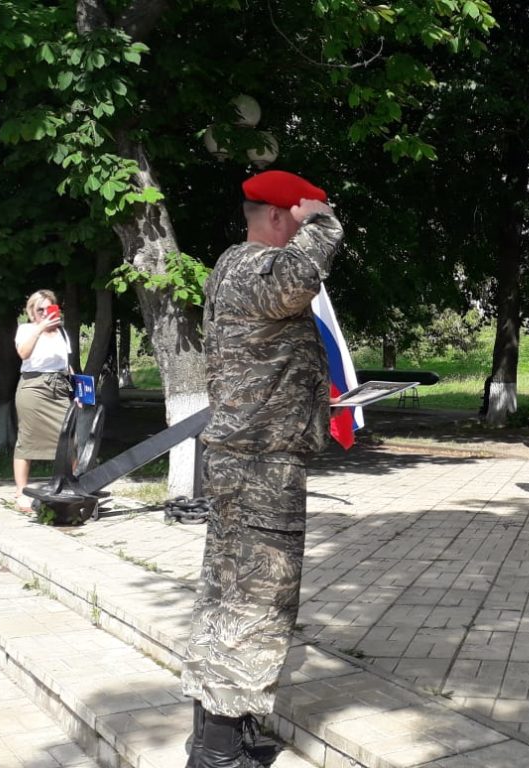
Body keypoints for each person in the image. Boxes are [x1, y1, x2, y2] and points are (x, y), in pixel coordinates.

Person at [181, 170, 343, 768]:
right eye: (299, 219)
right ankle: (221, 752)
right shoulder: (257, 268)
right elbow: (300, 277)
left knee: (226, 595)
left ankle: (216, 735)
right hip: (260, 466)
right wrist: (324, 221)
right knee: (256, 602)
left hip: (247, 459)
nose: (307, 229)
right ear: (278, 216)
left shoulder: (236, 266)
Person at [13, 290, 73, 512]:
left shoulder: (62, 333)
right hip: (34, 388)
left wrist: (77, 391)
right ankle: (21, 493)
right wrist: (39, 328)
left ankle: (70, 487)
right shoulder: (26, 330)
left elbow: (66, 364)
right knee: (27, 440)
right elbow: (23, 353)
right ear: (32, 312)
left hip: (60, 387)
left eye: (50, 308)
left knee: (70, 440)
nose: (46, 313)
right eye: (40, 310)